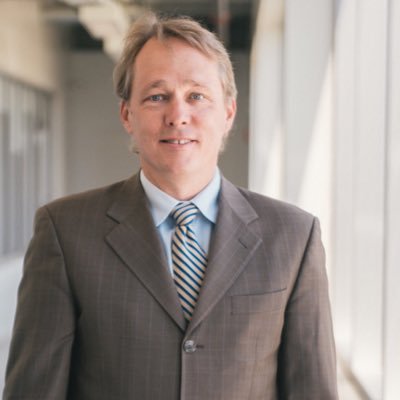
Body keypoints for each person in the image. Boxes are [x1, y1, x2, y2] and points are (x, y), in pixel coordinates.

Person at [3, 12, 338, 400]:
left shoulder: (293, 237)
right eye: (157, 97)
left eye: (197, 96)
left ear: (228, 113)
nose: (178, 116)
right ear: (127, 114)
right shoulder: (65, 231)